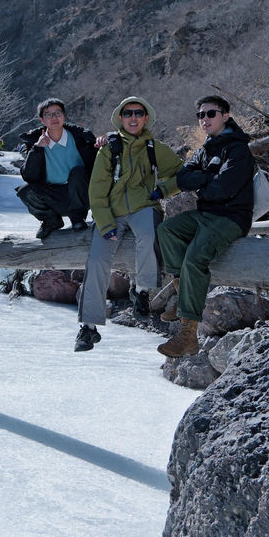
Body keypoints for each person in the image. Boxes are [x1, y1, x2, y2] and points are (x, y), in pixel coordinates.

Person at [74, 96, 183, 352]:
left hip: (144, 206)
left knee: (149, 235)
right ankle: (88, 327)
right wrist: (104, 221)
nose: (133, 117)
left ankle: (142, 291)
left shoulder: (155, 148)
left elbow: (183, 173)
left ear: (146, 118)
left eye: (138, 113)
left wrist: (163, 190)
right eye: (128, 113)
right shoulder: (108, 149)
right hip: (111, 212)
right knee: (98, 259)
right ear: (121, 119)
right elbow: (97, 190)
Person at [156, 95, 255, 358]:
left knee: (195, 258)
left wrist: (202, 182)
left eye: (211, 114)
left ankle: (188, 334)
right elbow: (183, 176)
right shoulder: (206, 148)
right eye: (200, 115)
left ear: (225, 116)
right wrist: (208, 178)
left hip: (231, 218)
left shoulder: (238, 150)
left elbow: (225, 188)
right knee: (167, 231)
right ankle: (180, 294)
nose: (204, 119)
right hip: (206, 214)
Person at [18, 98, 97, 239]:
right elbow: (29, 176)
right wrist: (37, 149)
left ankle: (77, 218)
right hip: (53, 194)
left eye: (57, 113)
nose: (54, 117)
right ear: (42, 120)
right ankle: (51, 221)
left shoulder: (81, 138)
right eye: (49, 114)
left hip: (81, 192)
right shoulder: (34, 142)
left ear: (64, 116)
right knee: (25, 190)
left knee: (77, 172)